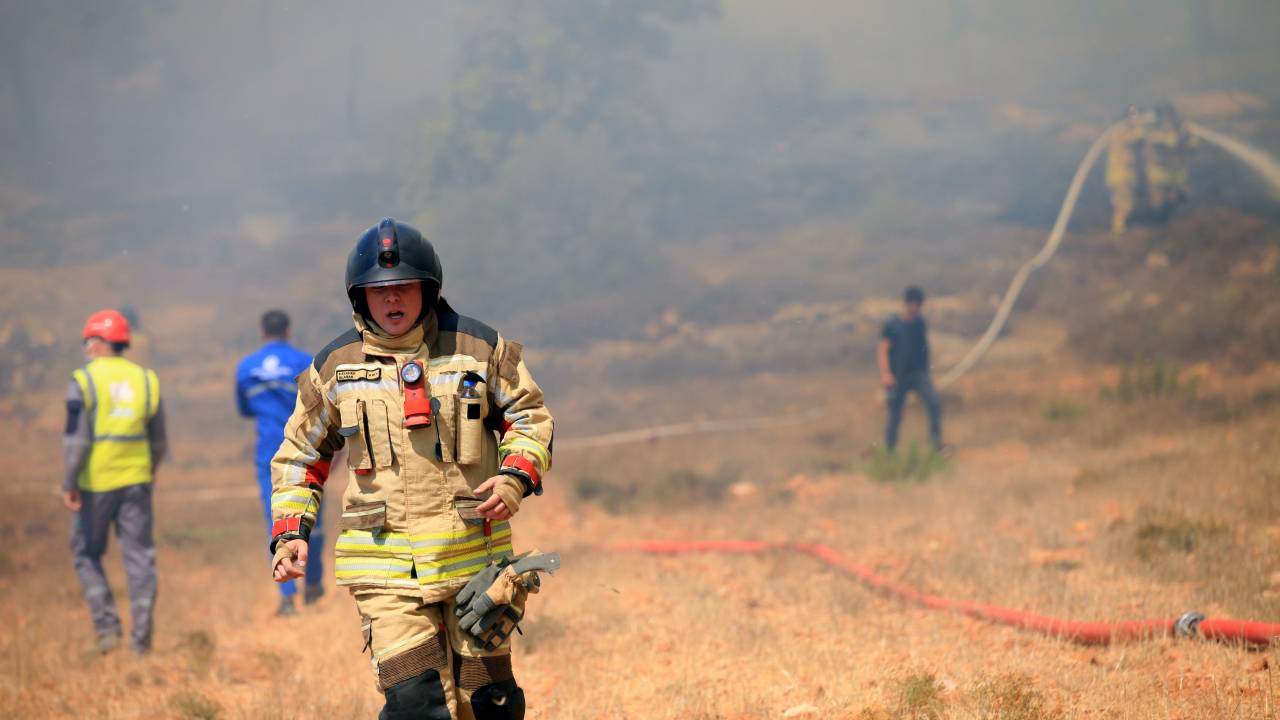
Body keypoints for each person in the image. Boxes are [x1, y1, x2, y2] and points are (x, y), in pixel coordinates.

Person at [269, 218, 554, 719]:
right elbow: (302, 455)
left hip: (475, 560)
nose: (393, 300)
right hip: (385, 569)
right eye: (380, 291)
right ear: (360, 298)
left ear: (429, 289)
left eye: (404, 287)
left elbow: (529, 417)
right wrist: (292, 531)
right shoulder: (336, 366)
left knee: (486, 703)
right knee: (415, 704)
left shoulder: (478, 349)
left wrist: (514, 477)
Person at [63, 309, 167, 655]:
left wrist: (69, 483)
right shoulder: (146, 379)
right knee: (139, 559)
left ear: (94, 342)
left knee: (85, 553)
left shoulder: (84, 380)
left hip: (95, 483)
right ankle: (141, 644)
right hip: (137, 481)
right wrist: (146, 470)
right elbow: (158, 441)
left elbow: (76, 442)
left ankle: (107, 630)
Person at [235, 309, 320, 616]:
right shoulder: (304, 362)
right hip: (303, 449)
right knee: (311, 518)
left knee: (278, 522)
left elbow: (244, 409)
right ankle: (312, 585)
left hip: (267, 454)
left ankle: (287, 596)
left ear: (262, 332)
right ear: (288, 330)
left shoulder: (246, 367)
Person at [878, 286, 943, 452]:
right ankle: (889, 451)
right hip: (898, 376)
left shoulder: (920, 323)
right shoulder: (892, 325)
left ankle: (936, 446)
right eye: (913, 304)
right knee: (895, 413)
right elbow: (883, 349)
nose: (915, 308)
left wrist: (929, 373)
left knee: (934, 404)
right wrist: (886, 374)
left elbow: (924, 349)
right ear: (906, 304)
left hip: (919, 374)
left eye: (918, 305)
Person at [1144, 102, 1196, 221]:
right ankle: (1158, 223)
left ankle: (1173, 220)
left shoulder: (1180, 131)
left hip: (1177, 174)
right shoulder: (1153, 132)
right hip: (1158, 174)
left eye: (1170, 117)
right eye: (1165, 117)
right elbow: (1169, 142)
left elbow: (1192, 146)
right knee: (1158, 203)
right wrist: (1183, 134)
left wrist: (1189, 135)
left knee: (1178, 199)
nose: (1168, 121)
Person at [1106, 106, 1149, 235]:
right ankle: (1118, 231)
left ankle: (1120, 229)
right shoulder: (1120, 132)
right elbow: (1137, 137)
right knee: (1123, 205)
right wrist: (1140, 126)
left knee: (1126, 204)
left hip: (1126, 175)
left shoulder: (1122, 131)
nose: (1135, 119)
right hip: (1120, 175)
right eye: (1133, 116)